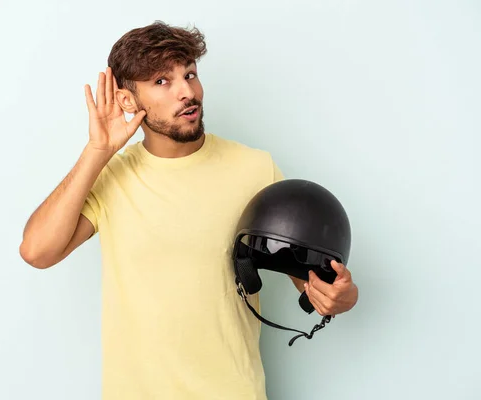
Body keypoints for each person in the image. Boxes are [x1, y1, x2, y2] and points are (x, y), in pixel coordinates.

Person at [19, 21, 358, 400]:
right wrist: (97, 151)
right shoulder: (112, 176)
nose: (187, 91)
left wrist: (338, 297)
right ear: (128, 101)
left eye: (190, 74)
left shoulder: (254, 168)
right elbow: (37, 251)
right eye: (162, 81)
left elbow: (310, 282)